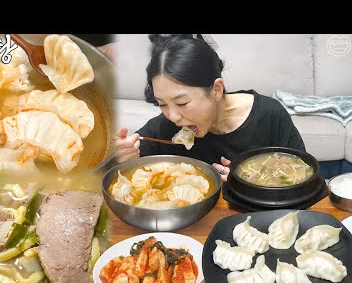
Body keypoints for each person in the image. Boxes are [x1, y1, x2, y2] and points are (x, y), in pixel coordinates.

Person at [115, 34, 306, 181]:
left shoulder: (270, 116)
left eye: (182, 103)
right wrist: (120, 156)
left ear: (216, 89)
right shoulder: (165, 127)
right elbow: (121, 168)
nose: (173, 116)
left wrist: (252, 184)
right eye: (162, 103)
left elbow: (304, 178)